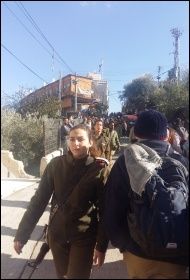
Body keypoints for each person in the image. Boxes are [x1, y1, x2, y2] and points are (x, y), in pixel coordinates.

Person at [14, 124, 110, 279]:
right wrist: (22, 235)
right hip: (57, 236)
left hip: (83, 237)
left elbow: (106, 211)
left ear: (91, 141)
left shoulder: (99, 170)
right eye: (72, 139)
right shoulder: (55, 165)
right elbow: (38, 201)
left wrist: (101, 246)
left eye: (80, 139)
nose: (75, 143)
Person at [103, 109, 189, 279]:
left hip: (138, 252)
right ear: (166, 134)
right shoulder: (182, 160)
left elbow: (112, 208)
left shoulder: (126, 160)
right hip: (178, 254)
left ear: (136, 133)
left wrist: (124, 244)